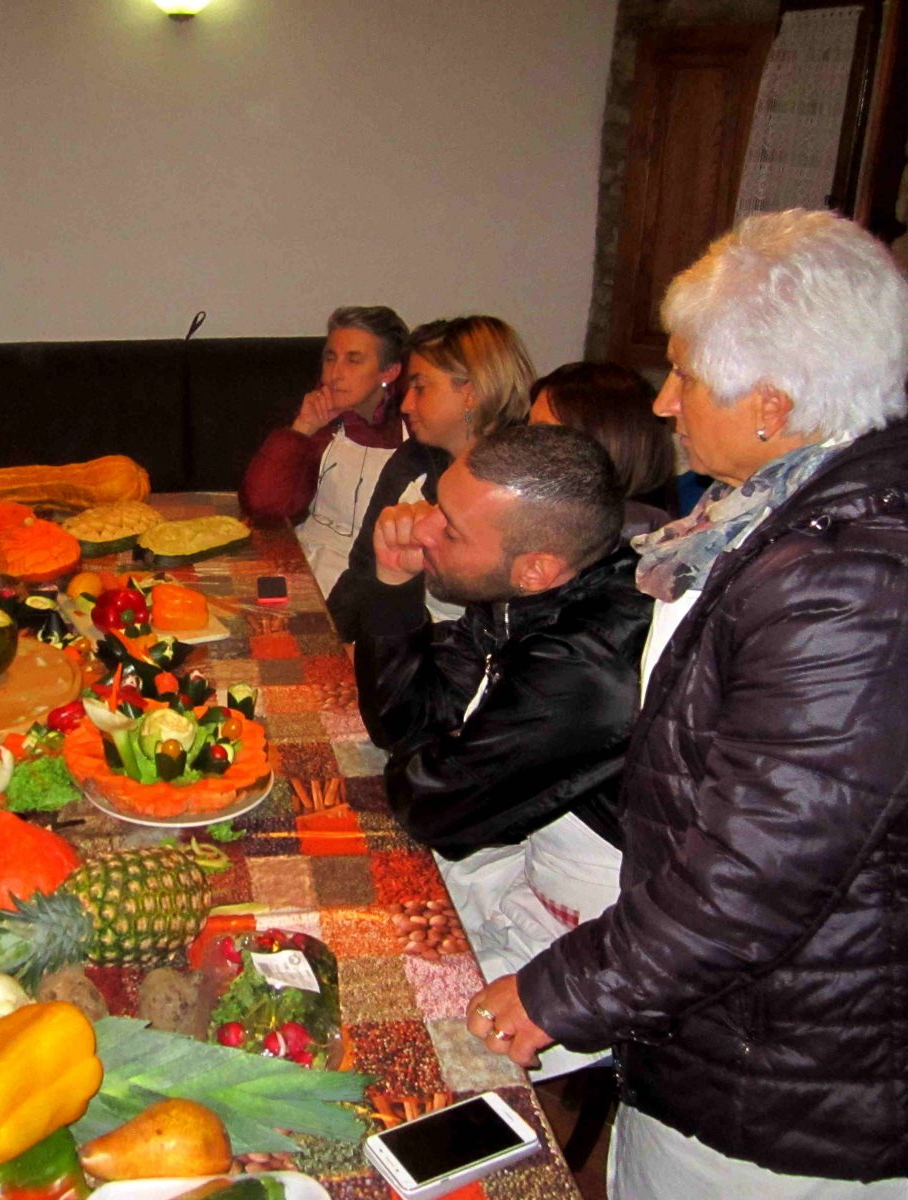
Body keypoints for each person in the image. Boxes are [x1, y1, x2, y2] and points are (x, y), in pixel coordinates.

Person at [468, 209, 908, 1195]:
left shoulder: (849, 583)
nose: (665, 402)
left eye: (686, 375)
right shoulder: (778, 514)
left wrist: (559, 991)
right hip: (729, 1021)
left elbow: (754, 873)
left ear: (772, 403)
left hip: (783, 1085)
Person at [355, 424, 650, 1077]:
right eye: (437, 503)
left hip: (595, 943)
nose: (422, 527)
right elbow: (408, 724)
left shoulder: (586, 669)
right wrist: (393, 584)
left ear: (536, 567)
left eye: (451, 528)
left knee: (378, 1038)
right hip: (524, 875)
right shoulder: (531, 594)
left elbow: (432, 808)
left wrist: (435, 755)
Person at [328, 315, 534, 640]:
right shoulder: (413, 459)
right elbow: (362, 572)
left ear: (471, 392)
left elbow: (503, 627)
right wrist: (327, 643)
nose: (406, 404)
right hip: (393, 643)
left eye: (420, 388)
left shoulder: (520, 489)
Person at [239, 306, 409, 596]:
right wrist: (302, 428)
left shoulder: (416, 429)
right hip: (305, 567)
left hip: (377, 581)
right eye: (330, 358)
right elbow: (262, 506)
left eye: (353, 360)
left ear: (389, 372)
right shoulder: (320, 425)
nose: (334, 374)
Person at [526, 361, 676, 538]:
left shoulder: (644, 538)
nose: (525, 445)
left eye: (544, 435)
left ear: (608, 444)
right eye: (529, 431)